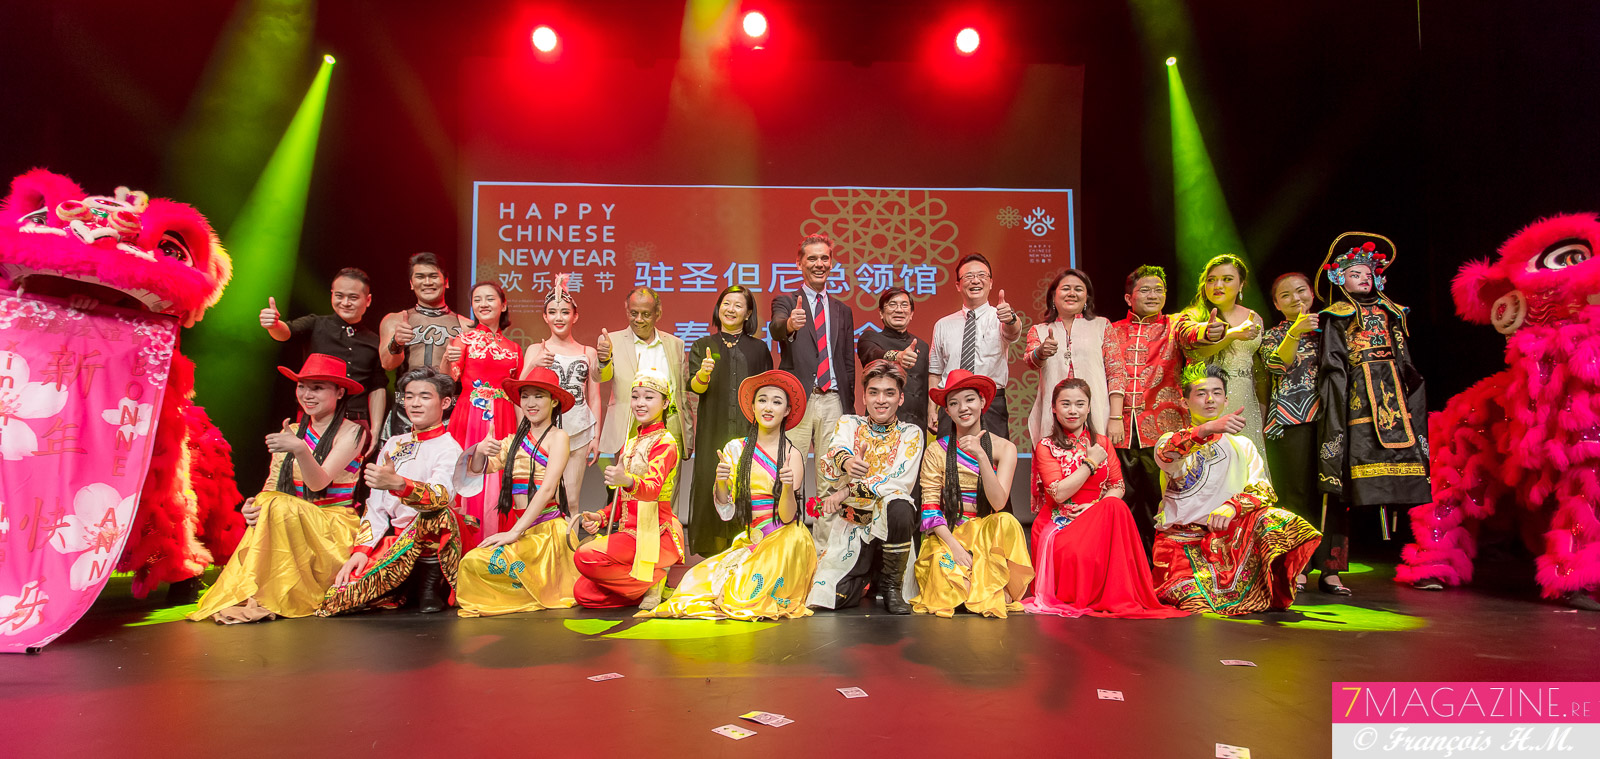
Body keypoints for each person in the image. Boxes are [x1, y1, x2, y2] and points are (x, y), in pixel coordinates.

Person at [189, 355, 368, 624]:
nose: (307, 395)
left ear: (339, 392)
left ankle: (274, 591)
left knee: (278, 505)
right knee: (269, 501)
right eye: (302, 387)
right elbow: (273, 485)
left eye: (317, 388)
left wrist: (298, 448)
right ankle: (259, 589)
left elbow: (318, 483)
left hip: (333, 526)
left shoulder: (353, 433)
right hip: (294, 524)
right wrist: (252, 508)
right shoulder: (293, 430)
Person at [642, 370, 817, 620]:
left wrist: (788, 487)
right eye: (762, 400)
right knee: (694, 583)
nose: (768, 407)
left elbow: (788, 518)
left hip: (785, 542)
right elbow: (726, 511)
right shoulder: (736, 449)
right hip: (750, 540)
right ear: (754, 407)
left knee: (743, 596)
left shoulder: (792, 455)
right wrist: (721, 481)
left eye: (776, 402)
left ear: (787, 410)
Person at [1150, 364, 1321, 615]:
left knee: (1276, 518)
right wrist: (1207, 429)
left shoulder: (1243, 445)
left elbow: (1263, 489)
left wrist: (1233, 507)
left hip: (1229, 544)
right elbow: (1169, 455)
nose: (1210, 399)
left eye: (1217, 393)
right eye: (1200, 393)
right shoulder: (1170, 439)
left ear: (1226, 399)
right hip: (1181, 546)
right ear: (1185, 402)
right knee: (1195, 604)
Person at [1314, 234, 1430, 589]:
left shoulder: (1392, 313)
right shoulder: (1337, 315)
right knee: (1342, 486)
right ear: (1339, 280)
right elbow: (1333, 362)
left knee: (1410, 477)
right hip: (1358, 397)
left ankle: (1423, 561)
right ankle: (1325, 567)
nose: (1364, 278)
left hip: (1393, 393)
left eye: (1368, 273)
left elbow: (1404, 358)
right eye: (1355, 274)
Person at [1024, 378, 1187, 619]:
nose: (1073, 410)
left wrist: (1093, 506)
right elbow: (1058, 493)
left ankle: (1119, 594)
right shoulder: (1046, 446)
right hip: (1061, 521)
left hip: (1094, 514)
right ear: (1054, 408)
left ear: (1089, 408)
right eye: (1066, 404)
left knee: (1114, 505)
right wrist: (1090, 463)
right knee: (1110, 512)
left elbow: (1118, 486)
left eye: (1080, 404)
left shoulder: (1102, 442)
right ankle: (1115, 593)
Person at [319, 366, 466, 615]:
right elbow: (375, 506)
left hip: (429, 534)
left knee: (438, 514)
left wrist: (399, 484)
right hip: (396, 540)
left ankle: (430, 584)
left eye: (424, 396)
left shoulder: (449, 447)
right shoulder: (394, 443)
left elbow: (441, 496)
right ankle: (403, 585)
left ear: (446, 402)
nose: (415, 404)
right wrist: (362, 551)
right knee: (338, 599)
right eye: (409, 397)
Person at [453, 368, 577, 616]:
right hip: (522, 530)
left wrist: (513, 532)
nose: (530, 403)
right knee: (470, 563)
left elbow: (548, 489)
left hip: (547, 534)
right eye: (525, 396)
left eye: (538, 396)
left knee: (480, 563)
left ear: (554, 401)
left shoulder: (559, 437)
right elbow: (479, 470)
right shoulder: (514, 440)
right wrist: (479, 450)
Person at [909, 370, 1033, 618]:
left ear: (983, 402)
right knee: (955, 592)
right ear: (947, 411)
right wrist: (956, 549)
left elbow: (999, 502)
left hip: (986, 533)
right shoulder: (936, 451)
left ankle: (993, 585)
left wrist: (981, 455)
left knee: (1007, 521)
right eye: (954, 403)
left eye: (969, 400)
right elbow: (930, 510)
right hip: (949, 534)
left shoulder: (1005, 448)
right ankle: (983, 587)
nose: (963, 408)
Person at [807, 361, 926, 614]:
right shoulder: (849, 424)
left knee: (901, 505)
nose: (881, 400)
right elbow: (833, 454)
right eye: (874, 392)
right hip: (854, 528)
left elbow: (898, 481)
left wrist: (846, 492)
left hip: (891, 532)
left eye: (889, 393)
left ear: (901, 398)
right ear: (864, 396)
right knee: (829, 598)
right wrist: (847, 462)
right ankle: (866, 579)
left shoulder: (911, 433)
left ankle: (892, 585)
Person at [573, 370, 684, 609]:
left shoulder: (665, 442)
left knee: (584, 555)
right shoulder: (632, 441)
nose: (640, 403)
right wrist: (601, 517)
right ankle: (648, 583)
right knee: (583, 593)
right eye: (635, 397)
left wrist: (628, 481)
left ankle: (653, 577)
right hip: (629, 531)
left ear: (665, 403)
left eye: (649, 397)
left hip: (654, 531)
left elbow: (652, 490)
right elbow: (624, 500)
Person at [685, 285, 773, 556]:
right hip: (713, 429)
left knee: (746, 483)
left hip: (749, 431)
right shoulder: (703, 345)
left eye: (738, 305)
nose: (730, 309)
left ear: (748, 314)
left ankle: (746, 547)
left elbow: (767, 391)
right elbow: (695, 388)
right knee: (712, 480)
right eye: (726, 303)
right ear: (718, 307)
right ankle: (712, 551)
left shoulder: (759, 349)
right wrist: (703, 374)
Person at [1258, 272, 1332, 593]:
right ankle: (1298, 564)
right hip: (1291, 419)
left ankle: (1330, 568)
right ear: (1276, 304)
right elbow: (1277, 365)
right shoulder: (1274, 334)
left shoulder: (1330, 330)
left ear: (1312, 294)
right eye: (1285, 295)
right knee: (1296, 493)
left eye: (1300, 291)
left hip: (1331, 420)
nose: (1295, 298)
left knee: (1330, 494)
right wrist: (1294, 332)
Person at [258, 268, 386, 447]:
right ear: (332, 295)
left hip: (355, 423)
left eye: (353, 297)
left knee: (346, 475)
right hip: (314, 420)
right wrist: (273, 325)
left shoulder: (375, 341)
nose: (345, 302)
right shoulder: (316, 324)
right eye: (339, 296)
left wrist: (376, 428)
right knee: (303, 472)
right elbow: (286, 332)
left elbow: (377, 387)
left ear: (368, 300)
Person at [1109, 265, 1187, 553]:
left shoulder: (1177, 326)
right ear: (1129, 298)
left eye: (1159, 290)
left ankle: (1162, 565)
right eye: (1145, 289)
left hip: (1164, 434)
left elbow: (1198, 336)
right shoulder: (1112, 330)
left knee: (1161, 501)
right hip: (1120, 431)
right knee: (1123, 500)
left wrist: (1213, 334)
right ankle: (1126, 564)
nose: (1153, 295)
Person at [441, 281, 523, 548]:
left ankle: (496, 540)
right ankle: (464, 540)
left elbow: (518, 393)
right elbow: (447, 380)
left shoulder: (514, 348)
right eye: (478, 300)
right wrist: (446, 357)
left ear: (504, 304)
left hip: (504, 416)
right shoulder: (462, 340)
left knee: (499, 475)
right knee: (468, 473)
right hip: (469, 414)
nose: (484, 304)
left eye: (490, 299)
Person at [769, 233, 856, 480]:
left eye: (825, 258)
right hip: (799, 400)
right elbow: (776, 329)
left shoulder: (843, 310)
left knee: (833, 477)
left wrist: (848, 408)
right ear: (799, 263)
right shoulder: (786, 301)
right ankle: (788, 520)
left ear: (831, 263)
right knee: (790, 475)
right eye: (812, 258)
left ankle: (826, 520)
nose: (820, 264)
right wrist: (789, 325)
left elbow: (848, 363)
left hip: (834, 401)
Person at [1175, 254, 1272, 475]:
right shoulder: (1194, 316)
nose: (1218, 285)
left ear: (1241, 284)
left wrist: (1262, 406)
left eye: (1227, 279)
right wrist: (1231, 335)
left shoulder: (1254, 318)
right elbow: (1196, 355)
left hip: (1246, 398)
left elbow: (1257, 367)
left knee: (1248, 463)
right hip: (1210, 397)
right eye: (1211, 279)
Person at [519, 274, 601, 518]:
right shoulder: (536, 349)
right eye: (552, 312)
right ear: (545, 317)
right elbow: (520, 389)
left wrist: (595, 437)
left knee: (572, 498)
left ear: (575, 316)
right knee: (544, 496)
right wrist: (534, 362)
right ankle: (543, 551)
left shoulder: (588, 352)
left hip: (578, 429)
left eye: (565, 312)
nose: (559, 317)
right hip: (544, 431)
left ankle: (570, 553)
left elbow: (594, 397)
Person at [1025, 268, 1127, 445]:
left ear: (1087, 298)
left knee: (1095, 464)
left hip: (1095, 413)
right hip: (1054, 415)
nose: (1072, 293)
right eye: (1065, 288)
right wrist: (1041, 352)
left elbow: (1116, 372)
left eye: (1078, 289)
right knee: (1054, 467)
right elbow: (1031, 361)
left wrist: (1116, 417)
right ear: (1053, 297)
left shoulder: (1101, 326)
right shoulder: (1039, 330)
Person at [377, 252, 472, 440]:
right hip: (406, 410)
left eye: (433, 276)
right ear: (411, 284)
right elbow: (387, 364)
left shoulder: (466, 326)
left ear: (446, 281)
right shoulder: (395, 320)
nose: (427, 282)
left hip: (450, 411)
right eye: (420, 277)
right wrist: (397, 342)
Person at [929, 252, 1022, 435]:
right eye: (969, 276)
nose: (975, 281)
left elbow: (1013, 331)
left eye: (982, 276)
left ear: (991, 283)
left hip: (990, 403)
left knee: (992, 460)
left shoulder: (1000, 318)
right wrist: (931, 409)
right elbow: (935, 372)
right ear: (958, 285)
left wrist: (1010, 318)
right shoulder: (943, 324)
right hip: (951, 402)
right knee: (949, 461)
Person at [597, 287, 688, 462]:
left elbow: (682, 395)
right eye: (633, 313)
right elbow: (601, 377)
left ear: (658, 313)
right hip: (628, 427)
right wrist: (603, 359)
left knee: (669, 486)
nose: (639, 320)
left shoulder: (676, 344)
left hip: (669, 428)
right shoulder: (612, 342)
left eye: (646, 314)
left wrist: (688, 436)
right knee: (627, 485)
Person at [856, 287, 931, 431]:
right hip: (882, 425)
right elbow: (873, 355)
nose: (899, 310)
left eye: (904, 305)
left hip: (917, 426)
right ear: (881, 313)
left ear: (911, 313)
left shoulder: (922, 345)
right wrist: (898, 356)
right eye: (892, 304)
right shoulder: (870, 338)